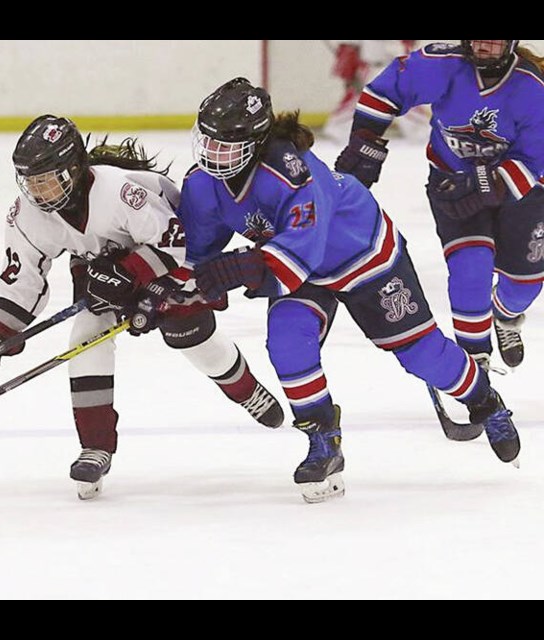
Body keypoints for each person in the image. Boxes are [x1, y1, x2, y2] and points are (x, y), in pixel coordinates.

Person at [172, 77, 520, 504]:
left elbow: (303, 248)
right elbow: (197, 256)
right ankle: (323, 440)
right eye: (208, 141)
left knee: (421, 353)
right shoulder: (202, 183)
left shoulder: (290, 172)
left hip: (362, 255)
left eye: (225, 145)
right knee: (287, 343)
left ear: (256, 141)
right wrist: (165, 291)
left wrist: (242, 267)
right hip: (301, 270)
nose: (212, 154)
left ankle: (485, 401)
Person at [0, 114, 285, 500]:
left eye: (47, 178)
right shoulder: (28, 215)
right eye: (31, 181)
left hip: (167, 265)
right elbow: (22, 278)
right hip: (98, 264)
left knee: (190, 337)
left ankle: (246, 391)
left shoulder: (121, 192)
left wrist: (129, 272)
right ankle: (95, 447)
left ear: (75, 168)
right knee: (85, 337)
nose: (38, 192)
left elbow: (175, 243)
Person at [334, 40, 544, 371]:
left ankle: (505, 315)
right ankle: (477, 365)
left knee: (525, 282)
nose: (483, 46)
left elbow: (536, 160)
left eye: (494, 40)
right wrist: (366, 142)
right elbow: (386, 91)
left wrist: (487, 185)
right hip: (453, 182)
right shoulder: (443, 64)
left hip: (522, 193)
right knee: (470, 268)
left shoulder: (533, 88)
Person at [321, 40, 430, 144]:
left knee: (404, 100)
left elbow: (408, 45)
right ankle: (337, 131)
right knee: (356, 99)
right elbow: (350, 45)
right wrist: (350, 69)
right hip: (370, 67)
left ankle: (422, 133)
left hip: (394, 66)